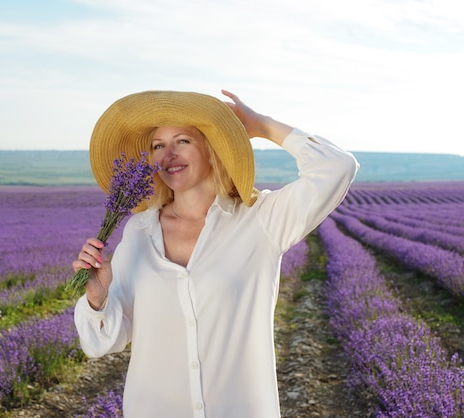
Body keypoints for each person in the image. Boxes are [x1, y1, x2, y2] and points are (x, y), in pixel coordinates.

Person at [72, 89, 359, 418]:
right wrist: (97, 299)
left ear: (211, 148)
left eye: (182, 141)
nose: (168, 155)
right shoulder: (138, 233)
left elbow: (338, 167)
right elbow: (101, 343)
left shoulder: (259, 220)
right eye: (157, 145)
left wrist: (261, 125)